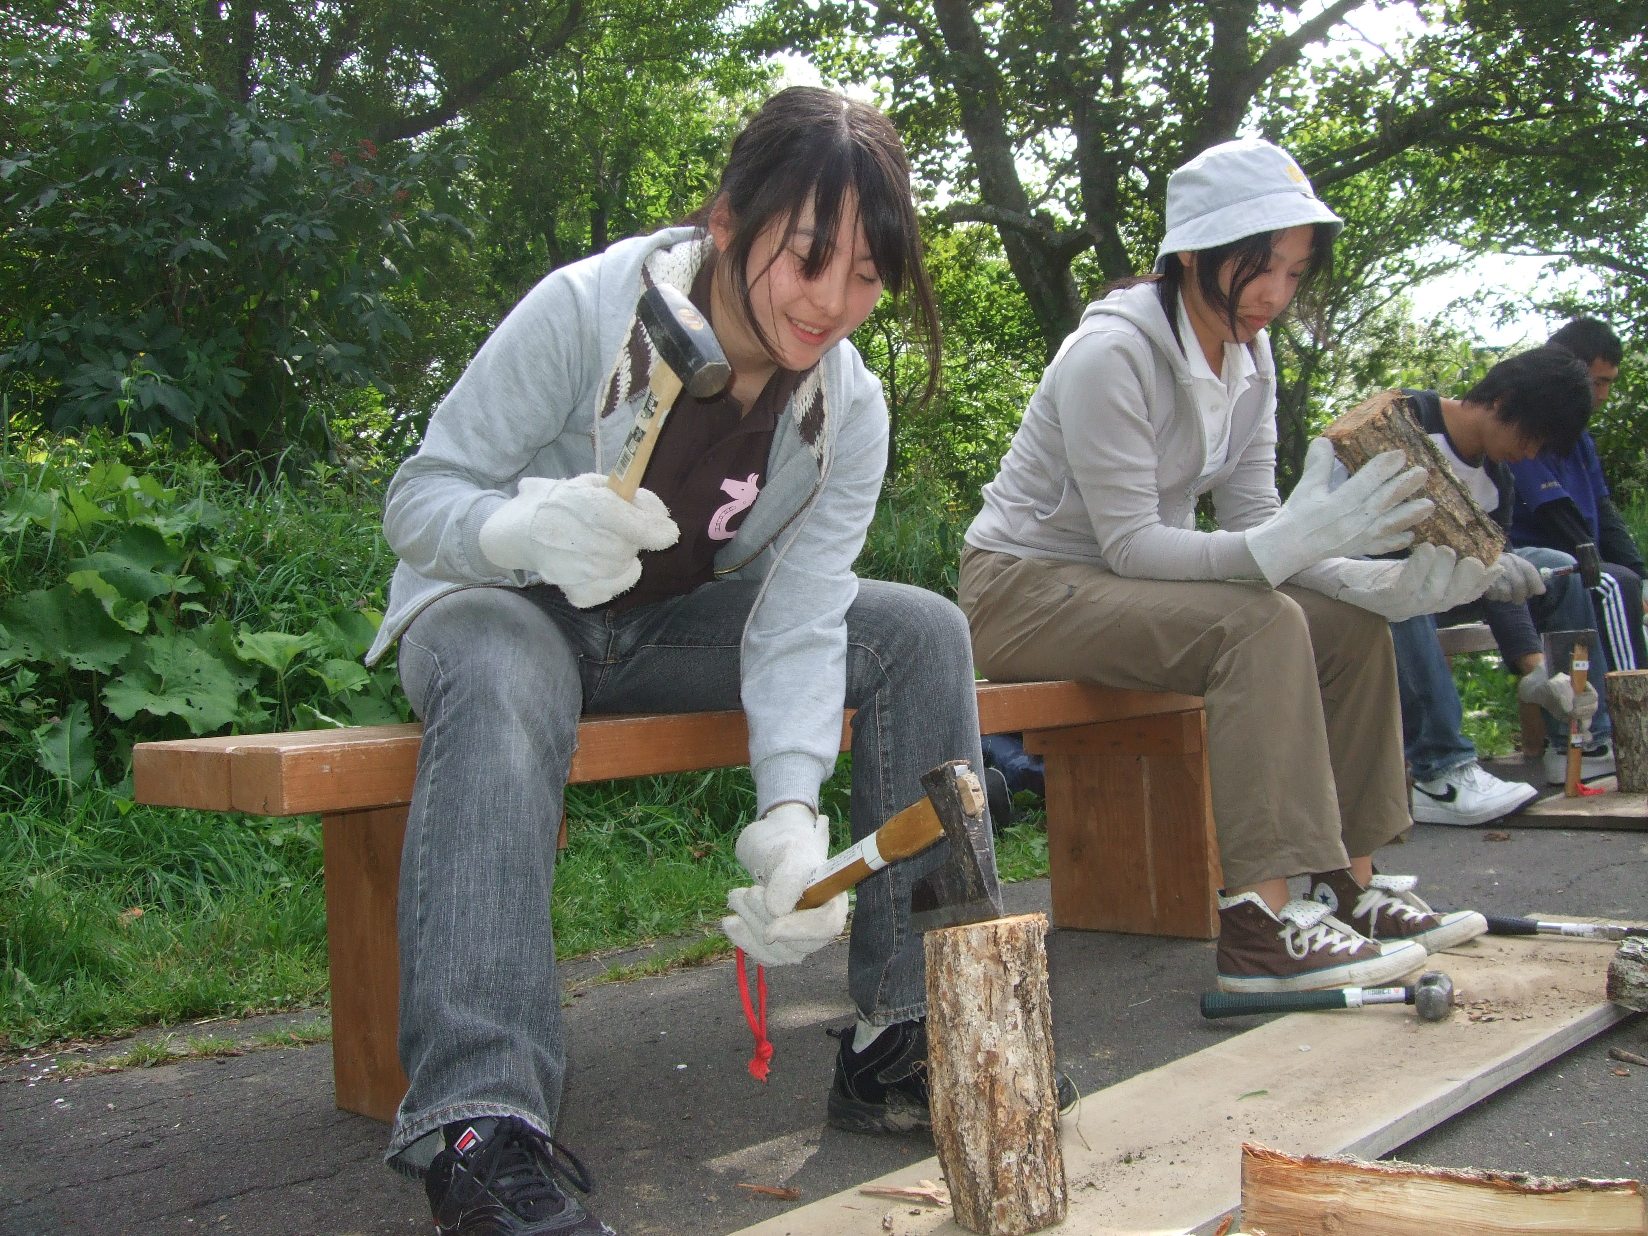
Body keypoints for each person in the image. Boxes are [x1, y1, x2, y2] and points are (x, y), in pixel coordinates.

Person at [364, 87, 998, 1236]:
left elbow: (800, 615)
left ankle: (903, 1035)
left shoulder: (846, 409)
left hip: (660, 630)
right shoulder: (583, 309)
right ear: (727, 221)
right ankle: (480, 1126)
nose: (831, 303)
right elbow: (420, 497)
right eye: (807, 258)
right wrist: (516, 528)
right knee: (502, 661)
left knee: (917, 632)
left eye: (866, 276)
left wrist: (791, 813)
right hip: (503, 612)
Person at [958, 137, 1493, 996]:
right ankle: (1261, 924)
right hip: (1023, 589)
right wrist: (1292, 547)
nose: (1276, 294)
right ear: (1194, 254)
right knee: (1258, 624)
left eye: (1294, 271)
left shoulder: (1252, 356)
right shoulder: (1111, 353)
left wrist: (1370, 583)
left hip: (1130, 589)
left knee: (1350, 628)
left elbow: (1254, 522)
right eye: (1260, 268)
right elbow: (1133, 542)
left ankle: (1347, 887)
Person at [1389, 348, 1606, 813]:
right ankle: (1438, 771)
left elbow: (1496, 579)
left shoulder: (1497, 479)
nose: (1530, 454)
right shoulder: (1405, 416)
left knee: (1555, 568)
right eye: (1532, 437)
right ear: (1503, 400)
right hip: (1365, 579)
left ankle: (1579, 738)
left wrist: (1534, 669)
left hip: (1444, 590)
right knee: (1407, 588)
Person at [1510, 318, 1647, 673]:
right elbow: (1555, 514)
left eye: (1609, 383)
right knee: (1615, 584)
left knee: (1630, 582)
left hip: (1582, 562)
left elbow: (1604, 510)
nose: (1602, 396)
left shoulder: (1579, 437)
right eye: (1597, 382)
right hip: (1542, 567)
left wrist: (1641, 576)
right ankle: (1630, 698)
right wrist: (1609, 570)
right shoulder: (1525, 428)